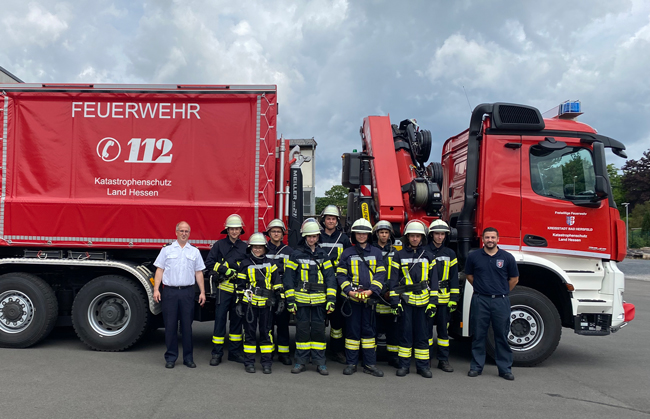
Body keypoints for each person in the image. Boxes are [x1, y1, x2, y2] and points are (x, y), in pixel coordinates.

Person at [284, 219, 337, 375]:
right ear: (304, 237)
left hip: (320, 302)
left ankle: (320, 362)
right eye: (309, 236)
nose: (312, 239)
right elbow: (289, 279)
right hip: (301, 302)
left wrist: (331, 300)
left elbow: (330, 279)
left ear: (318, 237)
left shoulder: (323, 255)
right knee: (302, 332)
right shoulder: (295, 255)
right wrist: (291, 301)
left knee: (319, 332)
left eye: (314, 236)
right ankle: (301, 361)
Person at [465, 227, 519, 381]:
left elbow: (514, 279)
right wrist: (482, 289)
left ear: (498, 239)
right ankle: (476, 367)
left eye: (493, 237)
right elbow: (469, 275)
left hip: (500, 301)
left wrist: (501, 292)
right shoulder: (474, 256)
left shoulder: (507, 257)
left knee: (501, 334)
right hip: (480, 299)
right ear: (483, 239)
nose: (490, 240)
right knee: (478, 334)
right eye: (487, 237)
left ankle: (505, 369)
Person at [153, 221, 206, 369]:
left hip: (187, 292)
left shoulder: (194, 251)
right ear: (176, 232)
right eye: (181, 231)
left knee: (187, 327)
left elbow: (199, 272)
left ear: (189, 233)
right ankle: (171, 357)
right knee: (170, 326)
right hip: (169, 292)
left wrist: (202, 292)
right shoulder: (167, 250)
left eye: (186, 231)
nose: (184, 233)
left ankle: (188, 358)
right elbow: (160, 270)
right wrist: (156, 289)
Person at [337, 218, 386, 377]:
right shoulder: (347, 253)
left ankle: (369, 364)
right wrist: (350, 292)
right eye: (358, 233)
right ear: (354, 235)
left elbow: (380, 275)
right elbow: (341, 276)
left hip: (369, 300)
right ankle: (351, 364)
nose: (361, 236)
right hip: (352, 299)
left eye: (364, 233)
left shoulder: (376, 252)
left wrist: (371, 292)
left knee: (369, 333)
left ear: (368, 235)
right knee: (352, 333)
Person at [389, 220, 438, 378]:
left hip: (424, 302)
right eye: (412, 236)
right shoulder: (398, 255)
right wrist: (395, 302)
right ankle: (404, 366)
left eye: (418, 236)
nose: (415, 238)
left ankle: (423, 367)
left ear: (422, 238)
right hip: (406, 302)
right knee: (405, 334)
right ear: (407, 237)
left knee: (423, 335)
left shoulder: (429, 256)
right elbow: (393, 281)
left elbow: (434, 282)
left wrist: (433, 303)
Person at [235, 233, 284, 374]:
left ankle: (266, 363)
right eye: (254, 247)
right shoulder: (245, 264)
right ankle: (249, 362)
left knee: (266, 333)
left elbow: (277, 284)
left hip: (266, 305)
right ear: (250, 248)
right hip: (249, 304)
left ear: (265, 248)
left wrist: (281, 299)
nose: (257, 249)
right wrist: (238, 303)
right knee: (249, 334)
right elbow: (240, 286)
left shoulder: (271, 264)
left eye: (260, 247)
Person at [205, 214, 247, 366]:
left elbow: (247, 266)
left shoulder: (244, 247)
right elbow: (209, 263)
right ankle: (216, 353)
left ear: (241, 230)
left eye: (237, 229)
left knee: (237, 322)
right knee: (220, 322)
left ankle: (234, 353)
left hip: (238, 290)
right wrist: (225, 269)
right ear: (227, 230)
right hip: (223, 289)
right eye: (232, 229)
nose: (234, 231)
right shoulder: (219, 245)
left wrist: (236, 269)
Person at [318, 205, 351, 364]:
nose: (330, 221)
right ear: (323, 220)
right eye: (328, 218)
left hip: (337, 284)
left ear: (337, 221)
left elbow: (348, 261)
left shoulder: (344, 239)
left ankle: (336, 350)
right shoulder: (316, 236)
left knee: (337, 321)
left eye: (333, 219)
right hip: (319, 283)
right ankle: (318, 351)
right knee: (318, 320)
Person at [427, 219, 460, 373]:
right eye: (437, 234)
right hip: (426, 298)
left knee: (443, 331)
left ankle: (443, 360)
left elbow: (453, 278)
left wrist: (454, 299)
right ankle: (425, 359)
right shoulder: (424, 251)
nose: (439, 237)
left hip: (444, 299)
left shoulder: (450, 253)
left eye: (442, 234)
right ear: (431, 234)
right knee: (426, 330)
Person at [264, 219, 294, 365]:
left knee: (283, 324)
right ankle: (268, 351)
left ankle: (283, 353)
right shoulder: (262, 249)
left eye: (279, 231)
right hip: (267, 291)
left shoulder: (289, 251)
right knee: (267, 324)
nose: (276, 234)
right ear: (269, 233)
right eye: (273, 231)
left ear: (283, 234)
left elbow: (291, 274)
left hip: (282, 292)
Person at [372, 220, 399, 368]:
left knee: (393, 331)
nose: (383, 235)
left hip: (390, 296)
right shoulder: (371, 251)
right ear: (377, 234)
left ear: (390, 235)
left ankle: (393, 358)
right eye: (381, 232)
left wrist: (391, 291)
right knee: (373, 329)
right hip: (376, 294)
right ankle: (372, 357)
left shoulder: (396, 253)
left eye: (386, 232)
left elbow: (398, 274)